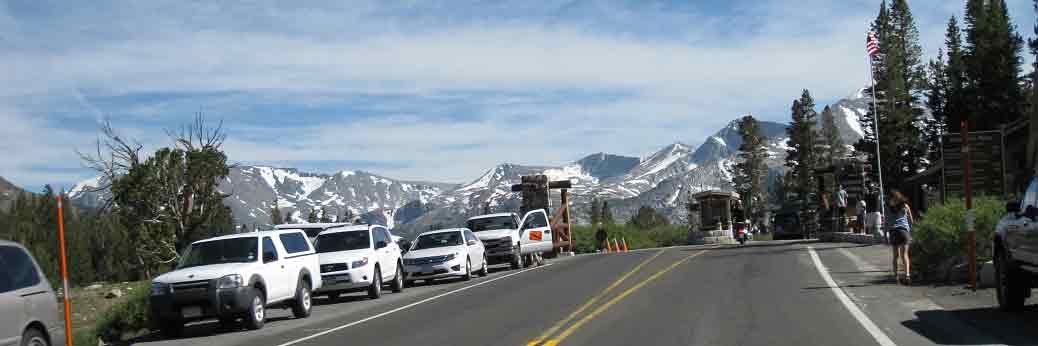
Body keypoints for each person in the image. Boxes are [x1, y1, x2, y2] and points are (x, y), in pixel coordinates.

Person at [887, 190, 914, 285]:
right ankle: (907, 276)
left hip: (894, 231)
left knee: (895, 256)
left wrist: (887, 234)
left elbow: (887, 222)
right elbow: (911, 220)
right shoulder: (905, 206)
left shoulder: (889, 208)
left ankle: (895, 277)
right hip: (904, 231)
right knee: (905, 255)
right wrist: (909, 231)